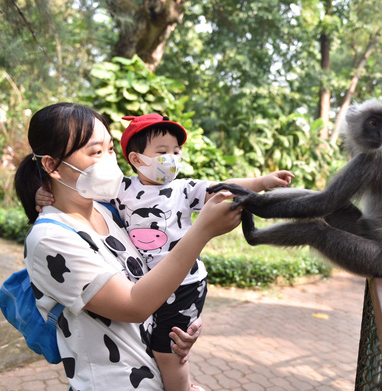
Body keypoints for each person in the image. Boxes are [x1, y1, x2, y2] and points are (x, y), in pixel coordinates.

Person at [36, 113, 295, 391]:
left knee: (169, 350)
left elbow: (223, 187)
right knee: (168, 348)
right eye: (162, 152)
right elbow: (135, 305)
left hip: (185, 284)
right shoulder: (116, 194)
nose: (171, 158)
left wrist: (262, 182)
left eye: (176, 151)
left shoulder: (181, 190)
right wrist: (41, 193)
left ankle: (182, 386)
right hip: (124, 353)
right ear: (136, 159)